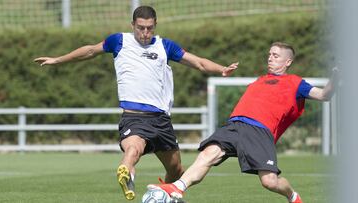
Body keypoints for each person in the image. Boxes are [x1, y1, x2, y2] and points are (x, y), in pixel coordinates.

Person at [34, 5, 238, 201]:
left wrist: (221, 69)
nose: (145, 33)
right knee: (134, 149)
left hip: (161, 120)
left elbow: (199, 62)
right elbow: (89, 51)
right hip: (134, 117)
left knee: (176, 170)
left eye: (149, 28)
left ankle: (161, 196)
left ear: (155, 25)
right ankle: (127, 173)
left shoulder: (165, 46)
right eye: (141, 28)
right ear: (133, 25)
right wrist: (57, 60)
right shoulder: (119, 41)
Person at [148, 42, 338, 203]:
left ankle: (293, 196)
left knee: (270, 182)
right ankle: (177, 188)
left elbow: (324, 95)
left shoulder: (297, 83)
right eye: (269, 54)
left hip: (259, 131)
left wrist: (336, 77)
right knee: (209, 153)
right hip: (235, 125)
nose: (270, 58)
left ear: (288, 61)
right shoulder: (260, 80)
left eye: (276, 56)